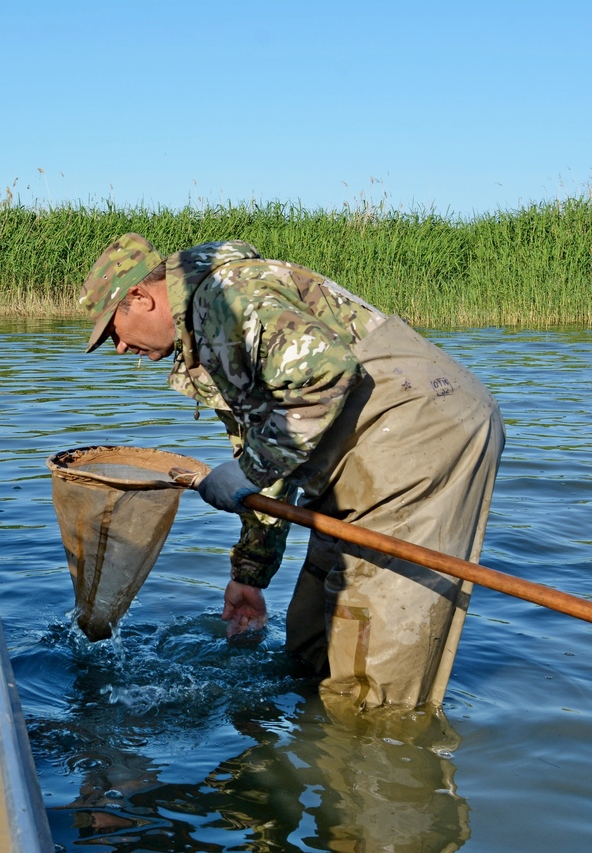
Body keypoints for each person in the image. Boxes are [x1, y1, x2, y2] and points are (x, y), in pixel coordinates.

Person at [79, 234, 503, 709]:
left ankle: (378, 752)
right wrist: (250, 574)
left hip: (418, 433)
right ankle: (318, 747)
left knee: (372, 684)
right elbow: (271, 448)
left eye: (114, 330)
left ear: (141, 296)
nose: (118, 349)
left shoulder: (229, 296)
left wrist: (247, 473)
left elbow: (324, 374)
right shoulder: (205, 329)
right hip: (353, 456)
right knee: (309, 648)